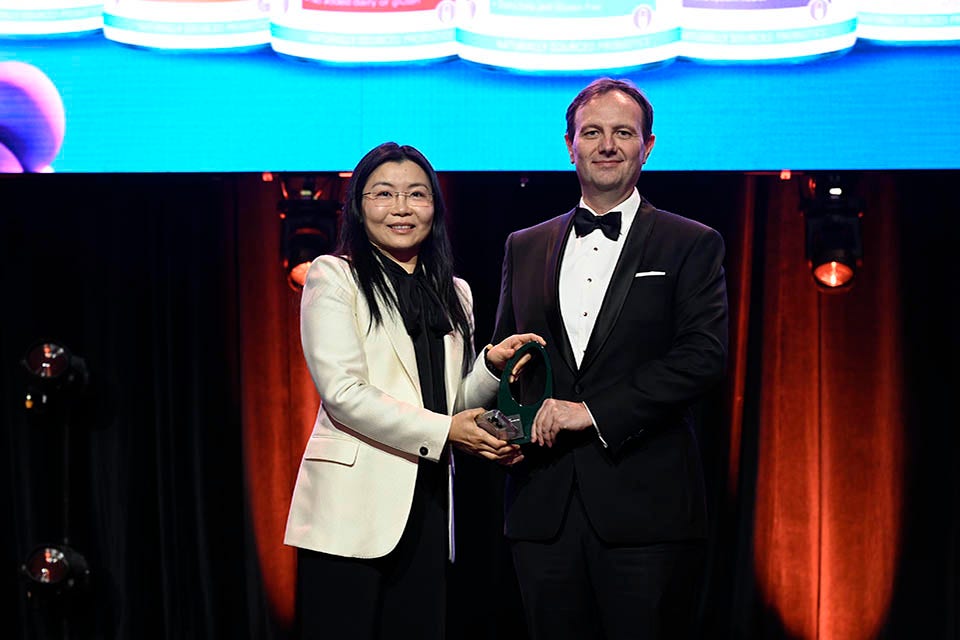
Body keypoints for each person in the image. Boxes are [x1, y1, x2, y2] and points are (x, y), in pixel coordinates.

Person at [491, 78, 729, 639]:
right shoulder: (522, 245)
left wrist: (591, 411)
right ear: (568, 144)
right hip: (541, 508)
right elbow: (510, 363)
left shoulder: (690, 242)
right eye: (592, 132)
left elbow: (703, 357)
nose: (607, 145)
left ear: (648, 146)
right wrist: (502, 427)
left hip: (647, 510)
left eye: (623, 133)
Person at [284, 142, 539, 639]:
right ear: (358, 206)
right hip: (349, 514)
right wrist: (448, 430)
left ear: (435, 208)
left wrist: (489, 366)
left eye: (416, 194)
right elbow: (343, 392)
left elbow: (451, 404)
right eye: (383, 194)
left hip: (426, 505)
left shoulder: (456, 291)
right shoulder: (335, 276)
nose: (401, 208)